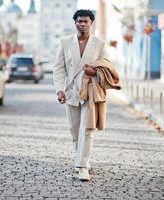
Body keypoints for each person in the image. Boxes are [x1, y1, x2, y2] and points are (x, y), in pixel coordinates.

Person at [53, 10, 112, 181]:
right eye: (79, 21)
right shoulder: (65, 42)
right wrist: (59, 89)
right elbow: (58, 68)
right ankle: (83, 158)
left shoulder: (99, 44)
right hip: (70, 93)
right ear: (75, 23)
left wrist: (93, 71)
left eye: (85, 21)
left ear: (91, 23)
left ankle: (82, 166)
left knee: (87, 130)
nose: (82, 24)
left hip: (90, 93)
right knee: (75, 131)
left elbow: (107, 66)